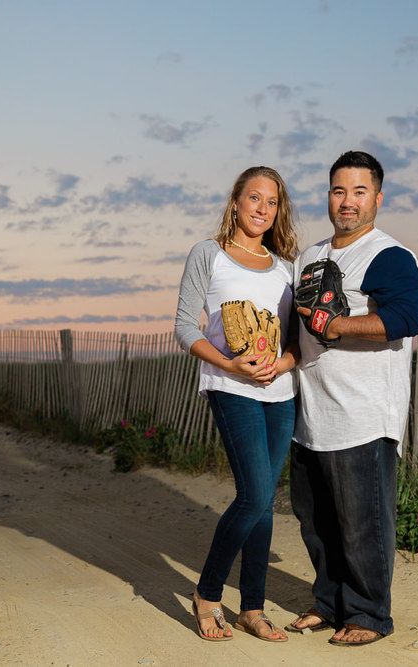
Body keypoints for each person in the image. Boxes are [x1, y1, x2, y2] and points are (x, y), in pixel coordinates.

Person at [287, 150, 418, 646]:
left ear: (378, 199)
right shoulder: (309, 257)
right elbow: (295, 330)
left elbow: (407, 317)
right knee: (317, 522)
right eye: (339, 191)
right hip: (312, 412)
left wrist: (338, 325)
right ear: (329, 196)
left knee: (362, 523)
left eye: (359, 191)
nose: (348, 202)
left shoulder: (388, 255)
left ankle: (368, 614)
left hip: (363, 413)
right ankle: (328, 603)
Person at [174, 166, 300, 642]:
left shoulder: (287, 267)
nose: (262, 208)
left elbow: (296, 342)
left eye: (272, 202)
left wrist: (284, 364)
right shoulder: (208, 254)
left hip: (279, 394)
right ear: (235, 202)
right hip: (231, 390)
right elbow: (186, 326)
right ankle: (207, 594)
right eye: (254, 198)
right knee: (253, 496)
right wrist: (229, 367)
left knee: (265, 503)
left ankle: (252, 607)